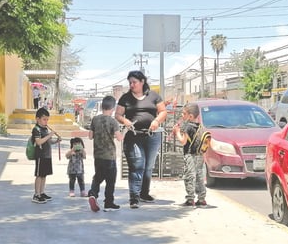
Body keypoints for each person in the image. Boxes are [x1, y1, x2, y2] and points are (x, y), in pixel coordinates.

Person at [115, 70, 167, 209]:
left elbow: (163, 111)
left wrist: (156, 121)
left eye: (134, 82)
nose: (132, 85)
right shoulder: (125, 98)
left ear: (142, 82)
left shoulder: (153, 95)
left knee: (148, 167)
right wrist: (125, 120)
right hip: (134, 136)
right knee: (137, 166)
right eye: (130, 82)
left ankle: (144, 193)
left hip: (152, 136)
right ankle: (134, 197)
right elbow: (118, 115)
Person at [88, 96, 124, 212]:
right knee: (110, 180)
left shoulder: (95, 119)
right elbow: (119, 138)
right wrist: (125, 130)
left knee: (98, 176)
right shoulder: (113, 122)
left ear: (102, 106)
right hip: (109, 156)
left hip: (97, 155)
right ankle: (108, 203)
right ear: (113, 108)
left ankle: (93, 193)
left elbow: (90, 136)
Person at [173, 103, 207, 207]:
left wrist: (177, 132)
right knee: (199, 176)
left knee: (189, 176)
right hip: (199, 155)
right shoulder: (200, 126)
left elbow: (183, 141)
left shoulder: (187, 127)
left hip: (189, 155)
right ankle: (201, 199)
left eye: (184, 114)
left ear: (190, 116)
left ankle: (190, 199)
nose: (182, 116)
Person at [31, 108, 62, 204]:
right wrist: (50, 135)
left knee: (44, 175)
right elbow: (39, 141)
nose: (46, 121)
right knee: (39, 175)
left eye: (47, 119)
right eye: (44, 119)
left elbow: (48, 142)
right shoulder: (36, 129)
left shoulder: (45, 129)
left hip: (47, 155)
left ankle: (42, 192)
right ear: (37, 119)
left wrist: (56, 140)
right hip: (40, 155)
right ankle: (36, 195)